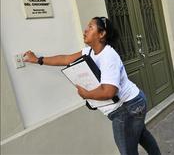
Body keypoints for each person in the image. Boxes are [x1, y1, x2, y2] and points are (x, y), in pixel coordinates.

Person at [23, 17, 161, 155]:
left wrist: (86, 94)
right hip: (132, 103)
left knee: (127, 151)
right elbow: (65, 59)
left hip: (127, 108)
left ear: (101, 34)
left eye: (90, 27)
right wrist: (38, 60)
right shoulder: (88, 52)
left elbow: (109, 92)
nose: (85, 30)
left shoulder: (108, 57)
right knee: (142, 135)